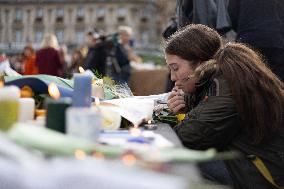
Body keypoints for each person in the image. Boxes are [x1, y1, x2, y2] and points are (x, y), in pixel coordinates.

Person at [165, 24, 284, 188]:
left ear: (200, 63)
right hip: (255, 162)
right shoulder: (220, 75)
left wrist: (178, 117)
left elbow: (188, 137)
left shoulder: (229, 81)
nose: (172, 77)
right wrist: (186, 107)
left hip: (263, 173)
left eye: (175, 68)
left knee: (175, 165)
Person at [228, 0, 284, 81]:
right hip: (277, 39)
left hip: (249, 39)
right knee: (279, 82)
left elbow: (232, 13)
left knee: (250, 81)